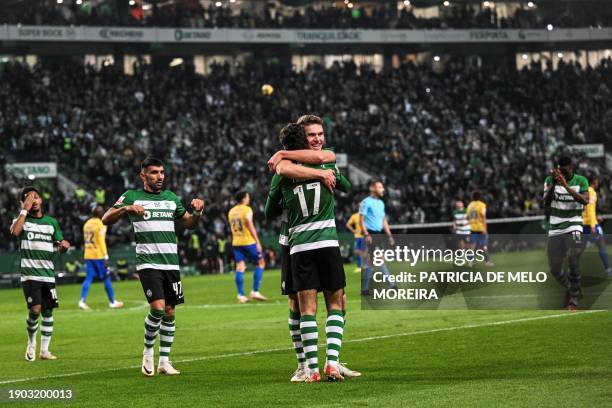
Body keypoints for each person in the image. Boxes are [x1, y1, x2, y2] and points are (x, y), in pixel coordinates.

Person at [102, 157, 205, 376]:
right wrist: (127, 208)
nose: (159, 176)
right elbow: (106, 218)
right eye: (154, 173)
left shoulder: (171, 198)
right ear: (143, 175)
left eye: (162, 172)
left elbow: (189, 225)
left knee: (170, 311)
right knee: (158, 308)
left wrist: (196, 213)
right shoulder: (131, 196)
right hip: (148, 263)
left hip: (171, 264)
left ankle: (164, 361)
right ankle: (148, 352)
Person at [270, 120, 352, 382]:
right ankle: (319, 364)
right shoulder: (326, 164)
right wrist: (323, 174)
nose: (317, 139)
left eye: (320, 134)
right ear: (303, 140)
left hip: (298, 245)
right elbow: (347, 186)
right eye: (312, 135)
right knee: (332, 302)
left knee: (306, 307)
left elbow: (268, 211)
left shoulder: (282, 171)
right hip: (323, 241)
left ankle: (313, 369)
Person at [10, 187, 71, 362]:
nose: (33, 201)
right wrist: (24, 210)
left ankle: (44, 350)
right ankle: (31, 342)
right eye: (28, 198)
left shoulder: (52, 222)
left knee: (48, 311)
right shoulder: (20, 220)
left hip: (48, 274)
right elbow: (15, 232)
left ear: (41, 200)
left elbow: (59, 245)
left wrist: (64, 247)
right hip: (30, 274)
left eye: (35, 197)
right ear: (23, 203)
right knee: (35, 310)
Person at [543, 156, 589, 310]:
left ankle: (573, 301)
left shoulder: (581, 181)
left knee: (573, 257)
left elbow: (585, 201)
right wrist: (555, 184)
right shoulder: (550, 180)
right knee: (554, 268)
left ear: (571, 167)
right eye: (559, 170)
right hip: (555, 226)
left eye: (564, 170)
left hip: (573, 224)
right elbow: (546, 201)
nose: (562, 173)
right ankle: (573, 288)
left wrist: (566, 186)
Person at [79, 206, 124, 310]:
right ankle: (112, 302)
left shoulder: (87, 223)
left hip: (88, 254)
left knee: (88, 278)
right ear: (100, 214)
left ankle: (82, 301)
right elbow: (101, 241)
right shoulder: (101, 224)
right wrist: (106, 256)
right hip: (98, 255)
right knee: (106, 277)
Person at [228, 192, 267, 303]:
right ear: (244, 198)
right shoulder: (247, 209)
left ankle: (241, 295)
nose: (249, 198)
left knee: (240, 267)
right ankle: (255, 291)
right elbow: (250, 225)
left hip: (236, 242)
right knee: (261, 262)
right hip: (248, 241)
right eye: (248, 197)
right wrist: (257, 242)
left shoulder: (231, 211)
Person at [360, 179, 396, 296]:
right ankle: (393, 285)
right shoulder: (365, 202)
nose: (383, 189)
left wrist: (389, 235)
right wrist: (366, 234)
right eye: (380, 187)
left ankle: (364, 290)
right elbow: (361, 220)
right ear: (372, 188)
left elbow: (384, 221)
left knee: (371, 263)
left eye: (382, 187)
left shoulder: (381, 203)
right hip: (371, 234)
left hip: (379, 234)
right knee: (380, 259)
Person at [582, 175, 611, 276]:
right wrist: (593, 225)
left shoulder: (583, 191)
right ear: (594, 181)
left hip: (582, 223)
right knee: (601, 245)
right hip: (590, 225)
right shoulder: (592, 192)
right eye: (597, 180)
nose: (598, 182)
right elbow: (590, 208)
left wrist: (595, 217)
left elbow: (585, 210)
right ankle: (608, 269)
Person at [467, 191, 494, 266]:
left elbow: (467, 217)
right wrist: (485, 229)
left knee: (472, 246)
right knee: (484, 246)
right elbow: (483, 217)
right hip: (480, 228)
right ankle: (487, 262)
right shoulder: (482, 205)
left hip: (472, 228)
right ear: (480, 197)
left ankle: (470, 262)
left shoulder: (470, 205)